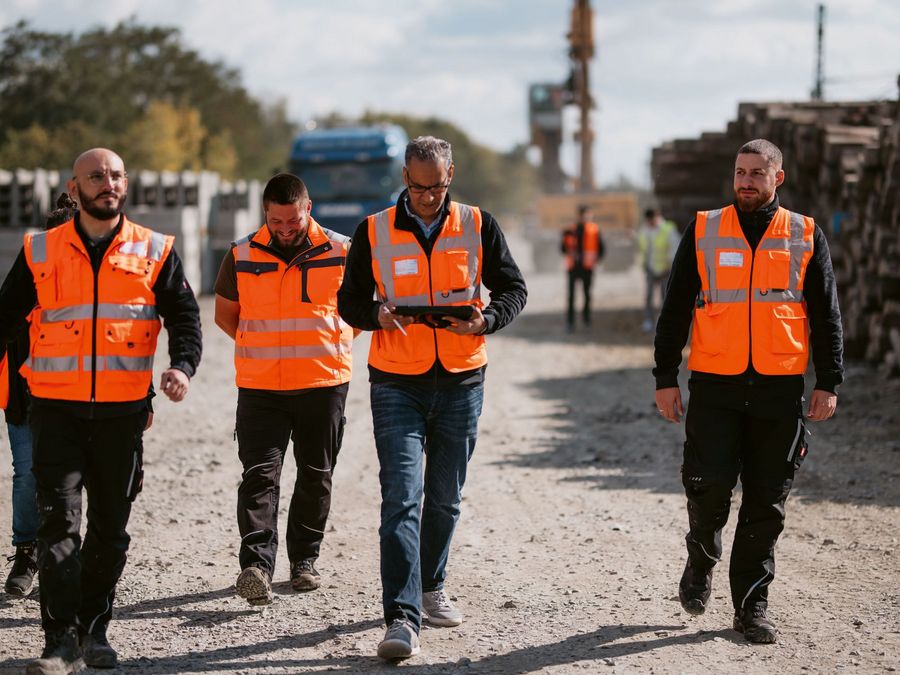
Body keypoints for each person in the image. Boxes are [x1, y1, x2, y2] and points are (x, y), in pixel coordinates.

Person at [0, 148, 202, 674]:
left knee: (110, 530)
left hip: (122, 415)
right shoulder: (40, 250)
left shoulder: (155, 250)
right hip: (55, 412)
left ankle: (95, 630)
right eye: (95, 176)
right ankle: (59, 641)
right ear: (74, 188)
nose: (106, 183)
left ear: (125, 184)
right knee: (58, 526)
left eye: (114, 175)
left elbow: (185, 315)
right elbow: (3, 317)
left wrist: (182, 365)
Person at [338, 136, 527, 661]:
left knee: (444, 498)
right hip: (397, 380)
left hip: (463, 378)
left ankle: (431, 585)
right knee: (402, 496)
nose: (427, 197)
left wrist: (486, 319)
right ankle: (401, 618)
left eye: (437, 186)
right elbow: (348, 301)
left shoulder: (478, 224)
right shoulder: (372, 230)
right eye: (418, 187)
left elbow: (513, 288)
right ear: (404, 177)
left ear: (451, 175)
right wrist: (373, 314)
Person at [653, 139, 843, 644]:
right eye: (740, 172)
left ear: (777, 178)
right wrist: (665, 376)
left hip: (780, 390)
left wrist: (828, 381)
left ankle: (751, 605)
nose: (746, 181)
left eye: (757, 173)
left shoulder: (805, 234)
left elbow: (825, 316)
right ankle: (701, 558)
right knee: (708, 485)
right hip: (715, 384)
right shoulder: (705, 228)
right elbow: (674, 309)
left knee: (766, 502)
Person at [214, 173, 354, 607]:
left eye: (293, 219)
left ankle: (304, 563)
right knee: (259, 476)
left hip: (323, 384)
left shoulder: (343, 251)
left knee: (316, 475)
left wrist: (331, 345)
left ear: (308, 208)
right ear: (265, 214)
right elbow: (225, 316)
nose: (286, 228)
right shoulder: (240, 254)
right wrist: (263, 350)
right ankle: (255, 565)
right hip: (261, 388)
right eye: (277, 221)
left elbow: (359, 314)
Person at [1, 196, 76, 599]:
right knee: (27, 475)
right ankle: (27, 553)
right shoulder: (26, 278)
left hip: (79, 401)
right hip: (25, 401)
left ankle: (69, 557)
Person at [560, 204, 603, 331]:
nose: (585, 217)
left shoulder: (594, 230)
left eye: (587, 214)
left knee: (587, 295)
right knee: (571, 297)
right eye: (582, 215)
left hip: (587, 268)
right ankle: (570, 323)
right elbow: (562, 248)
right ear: (578, 216)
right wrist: (569, 251)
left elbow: (601, 248)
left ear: (590, 215)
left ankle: (587, 320)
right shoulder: (569, 230)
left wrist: (595, 260)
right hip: (573, 268)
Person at [637, 207, 679, 332]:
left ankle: (665, 322)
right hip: (651, 268)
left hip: (666, 269)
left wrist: (670, 264)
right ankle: (648, 321)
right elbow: (643, 247)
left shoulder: (668, 229)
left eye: (652, 220)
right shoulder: (645, 230)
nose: (650, 223)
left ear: (657, 217)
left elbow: (675, 247)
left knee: (665, 297)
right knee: (649, 297)